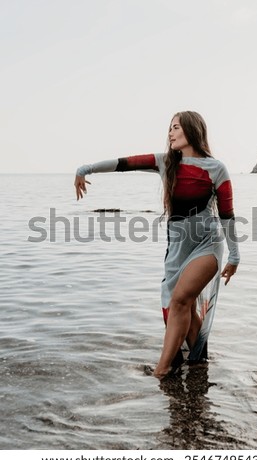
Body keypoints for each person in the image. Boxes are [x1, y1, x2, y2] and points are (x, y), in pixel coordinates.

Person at [74, 111, 240, 380]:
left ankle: (163, 370)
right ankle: (199, 365)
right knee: (180, 306)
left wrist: (235, 255)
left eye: (176, 127)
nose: (170, 133)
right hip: (176, 248)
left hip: (207, 245)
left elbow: (227, 215)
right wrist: (86, 169)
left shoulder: (216, 168)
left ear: (192, 130)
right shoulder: (165, 162)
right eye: (169, 128)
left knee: (180, 301)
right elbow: (124, 163)